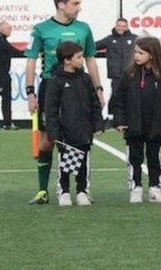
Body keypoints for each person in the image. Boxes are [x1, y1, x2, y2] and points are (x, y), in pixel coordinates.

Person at [25, 0, 102, 205]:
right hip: (51, 87)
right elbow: (31, 60)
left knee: (78, 139)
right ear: (61, 4)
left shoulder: (84, 28)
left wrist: (98, 89)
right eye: (75, 3)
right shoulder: (41, 29)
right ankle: (43, 190)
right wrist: (30, 92)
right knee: (48, 142)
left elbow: (91, 59)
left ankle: (79, 189)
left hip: (78, 89)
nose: (79, 8)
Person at [110, 37, 161, 204]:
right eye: (135, 52)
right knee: (134, 159)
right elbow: (118, 99)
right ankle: (136, 189)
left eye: (141, 53)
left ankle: (155, 189)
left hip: (155, 126)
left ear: (152, 54)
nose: (136, 56)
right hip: (133, 125)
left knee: (155, 159)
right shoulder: (129, 74)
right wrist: (119, 120)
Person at [44, 41, 104, 207]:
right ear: (67, 60)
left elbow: (94, 103)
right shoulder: (55, 81)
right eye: (78, 57)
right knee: (66, 162)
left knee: (83, 161)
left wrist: (97, 124)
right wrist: (53, 132)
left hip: (84, 130)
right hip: (65, 132)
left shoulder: (85, 79)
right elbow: (51, 109)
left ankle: (82, 191)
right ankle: (64, 191)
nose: (82, 59)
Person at [95, 18, 138, 96]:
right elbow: (94, 46)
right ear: (115, 26)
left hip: (130, 74)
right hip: (116, 75)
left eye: (123, 26)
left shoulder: (134, 38)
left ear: (127, 27)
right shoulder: (109, 39)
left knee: (132, 96)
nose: (121, 28)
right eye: (119, 26)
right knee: (116, 96)